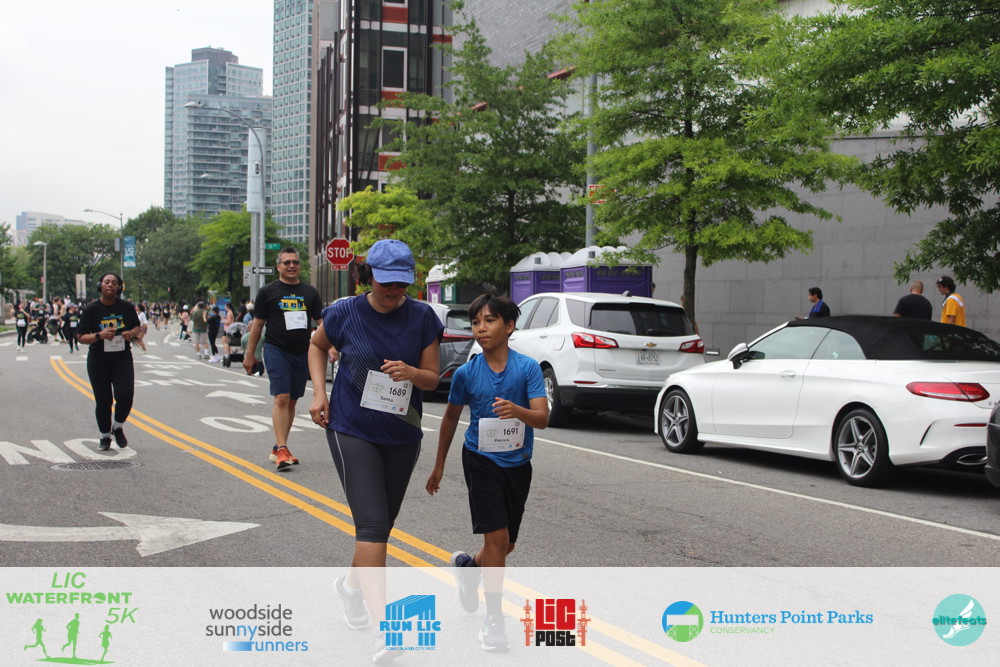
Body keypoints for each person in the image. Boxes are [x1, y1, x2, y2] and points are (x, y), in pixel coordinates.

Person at [307, 238, 442, 662]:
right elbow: (316, 345)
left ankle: (350, 588)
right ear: (370, 276)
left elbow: (433, 378)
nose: (393, 291)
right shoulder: (345, 311)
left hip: (402, 434)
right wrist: (319, 393)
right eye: (386, 283)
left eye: (402, 284)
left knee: (381, 527)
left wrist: (411, 372)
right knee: (371, 526)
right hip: (352, 429)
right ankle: (387, 630)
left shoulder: (423, 317)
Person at [425, 292, 548, 652]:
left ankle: (469, 569)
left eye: (490, 320)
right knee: (496, 539)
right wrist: (439, 465)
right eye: (476, 322)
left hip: (518, 463)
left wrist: (517, 411)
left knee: (506, 545)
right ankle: (494, 619)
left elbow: (542, 418)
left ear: (509, 326)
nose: (481, 328)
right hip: (480, 459)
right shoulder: (466, 373)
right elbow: (450, 418)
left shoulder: (527, 368)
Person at [244, 248, 324, 469]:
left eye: (295, 262)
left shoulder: (309, 292)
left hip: (302, 352)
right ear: (278, 266)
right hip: (276, 349)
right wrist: (250, 355)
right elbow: (257, 325)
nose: (291, 266)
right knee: (281, 397)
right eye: (287, 262)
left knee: (292, 400)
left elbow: (321, 322)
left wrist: (332, 346)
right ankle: (282, 449)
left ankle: (279, 446)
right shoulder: (268, 292)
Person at [76, 272, 141, 451]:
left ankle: (117, 426)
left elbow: (137, 326)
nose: (110, 285)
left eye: (114, 282)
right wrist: (99, 335)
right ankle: (105, 436)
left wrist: (131, 333)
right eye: (107, 282)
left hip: (122, 357)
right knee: (103, 401)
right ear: (100, 286)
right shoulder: (91, 310)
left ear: (119, 287)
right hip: (98, 359)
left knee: (125, 395)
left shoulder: (127, 307)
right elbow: (80, 337)